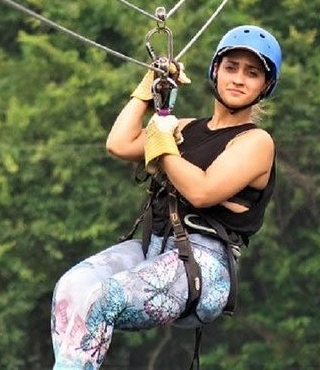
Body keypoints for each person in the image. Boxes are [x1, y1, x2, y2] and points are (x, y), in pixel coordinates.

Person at [50, 25, 281, 369]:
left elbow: (202, 192)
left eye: (252, 73)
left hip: (203, 266)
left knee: (102, 300)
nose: (238, 79)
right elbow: (119, 143)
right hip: (155, 245)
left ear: (264, 86)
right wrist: (148, 90)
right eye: (231, 67)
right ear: (216, 71)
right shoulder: (185, 128)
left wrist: (163, 143)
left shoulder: (255, 142)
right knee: (72, 288)